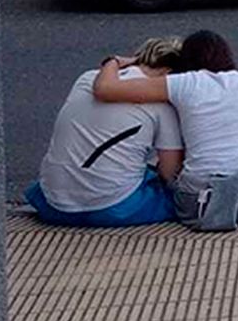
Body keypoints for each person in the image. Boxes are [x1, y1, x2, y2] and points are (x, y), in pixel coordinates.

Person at [93, 30, 238, 231]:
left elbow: (105, 90)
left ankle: (225, 207)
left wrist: (113, 62)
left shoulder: (181, 84)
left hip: (197, 205)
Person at [25, 37, 186, 227]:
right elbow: (170, 173)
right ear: (169, 74)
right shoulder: (161, 104)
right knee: (175, 199)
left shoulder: (87, 79)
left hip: (52, 205)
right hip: (111, 208)